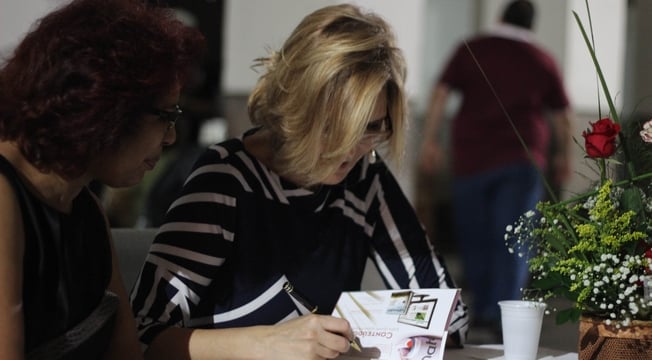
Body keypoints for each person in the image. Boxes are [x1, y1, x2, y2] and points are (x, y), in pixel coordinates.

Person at [130, 4, 469, 359]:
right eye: (335, 126)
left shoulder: (364, 180)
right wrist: (267, 343)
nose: (351, 149)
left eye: (370, 127)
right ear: (298, 110)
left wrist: (380, 323)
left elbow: (452, 319)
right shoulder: (228, 179)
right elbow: (140, 334)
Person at [0, 0, 204, 358]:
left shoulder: (85, 207)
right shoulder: (4, 197)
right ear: (108, 106)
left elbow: (125, 351)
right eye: (165, 116)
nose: (171, 137)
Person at [418, 0, 572, 334]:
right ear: (532, 24)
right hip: (522, 159)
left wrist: (429, 140)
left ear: (500, 17)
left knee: (475, 236)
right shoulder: (542, 59)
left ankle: (486, 309)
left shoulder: (472, 49)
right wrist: (564, 157)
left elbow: (441, 94)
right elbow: (562, 114)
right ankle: (507, 315)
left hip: (471, 157)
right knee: (516, 238)